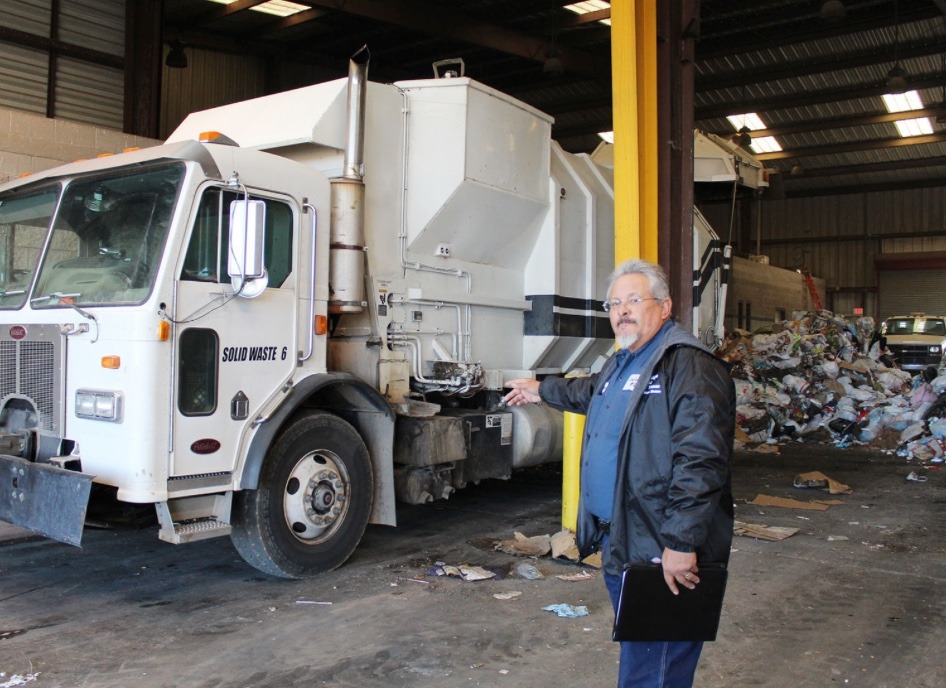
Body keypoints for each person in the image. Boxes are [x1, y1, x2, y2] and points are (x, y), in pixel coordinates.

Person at [504, 258, 735, 688]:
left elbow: (701, 460)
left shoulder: (688, 365)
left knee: (654, 669)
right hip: (622, 537)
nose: (622, 311)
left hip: (661, 543)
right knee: (642, 657)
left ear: (664, 307)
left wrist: (681, 542)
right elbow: (588, 391)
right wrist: (540, 388)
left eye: (634, 300)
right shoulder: (622, 361)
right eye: (614, 303)